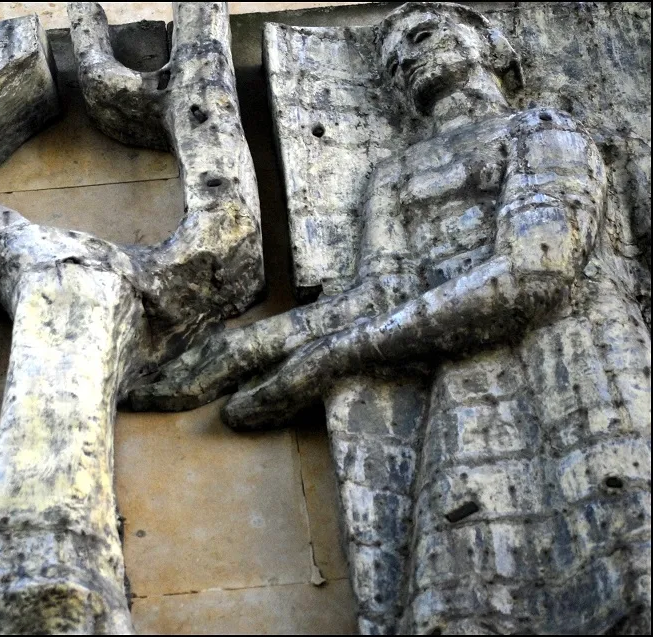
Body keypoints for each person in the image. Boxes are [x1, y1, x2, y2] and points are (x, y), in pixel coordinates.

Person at [130, 3, 651, 633]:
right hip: (465, 387)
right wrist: (239, 351)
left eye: (423, 34)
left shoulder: (547, 130)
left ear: (492, 45)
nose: (404, 55)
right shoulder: (395, 172)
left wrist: (331, 358)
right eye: (391, 54)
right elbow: (378, 294)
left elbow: (536, 271)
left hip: (578, 370)